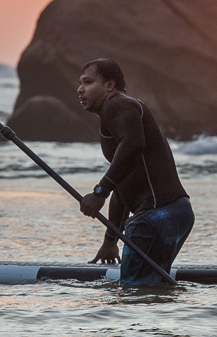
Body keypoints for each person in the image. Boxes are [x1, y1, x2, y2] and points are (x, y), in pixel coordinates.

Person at [77, 59, 194, 285]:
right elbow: (124, 183)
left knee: (133, 295)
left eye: (88, 82)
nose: (80, 89)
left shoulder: (118, 105)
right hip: (175, 213)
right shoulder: (118, 113)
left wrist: (100, 192)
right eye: (80, 83)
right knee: (152, 290)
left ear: (109, 85)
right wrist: (110, 239)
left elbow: (133, 145)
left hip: (155, 217)